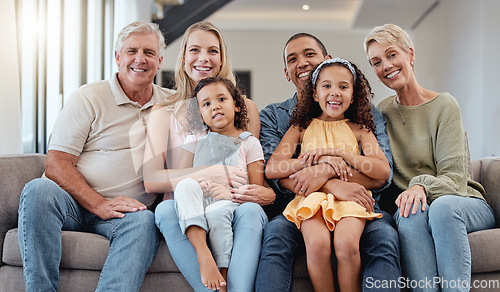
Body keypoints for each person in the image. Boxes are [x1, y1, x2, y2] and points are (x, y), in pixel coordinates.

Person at [17, 21, 170, 291]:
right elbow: (56, 163)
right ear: (117, 57)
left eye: (148, 52)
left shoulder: (172, 103)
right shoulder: (89, 97)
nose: (139, 59)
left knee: (144, 220)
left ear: (159, 61)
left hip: (126, 213)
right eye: (131, 50)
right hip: (72, 204)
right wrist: (99, 203)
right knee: (38, 189)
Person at [256, 33, 401, 292]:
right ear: (314, 92)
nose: (334, 93)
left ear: (354, 93)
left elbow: (382, 173)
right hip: (308, 200)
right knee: (309, 244)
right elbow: (273, 169)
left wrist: (338, 159)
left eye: (343, 87)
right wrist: (313, 167)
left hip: (354, 201)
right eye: (292, 59)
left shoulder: (362, 125)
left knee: (356, 243)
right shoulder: (295, 125)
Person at [364, 23, 496, 292]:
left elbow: (456, 178)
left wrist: (420, 184)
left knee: (442, 208)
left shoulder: (444, 105)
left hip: (462, 201)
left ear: (410, 54)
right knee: (410, 213)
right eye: (376, 62)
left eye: (391, 55)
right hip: (414, 207)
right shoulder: (382, 111)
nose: (386, 66)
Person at [143, 21, 273, 291]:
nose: (203, 58)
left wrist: (266, 193)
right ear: (183, 57)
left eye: (213, 51)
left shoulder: (245, 107)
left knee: (250, 210)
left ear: (222, 58)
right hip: (184, 204)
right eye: (195, 50)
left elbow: (252, 170)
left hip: (234, 202)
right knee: (165, 209)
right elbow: (151, 180)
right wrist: (207, 174)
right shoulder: (163, 110)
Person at [173, 77, 267, 291]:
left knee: (216, 211)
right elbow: (180, 176)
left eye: (221, 99)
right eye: (206, 104)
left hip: (229, 205)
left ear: (235, 104)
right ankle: (203, 254)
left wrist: (229, 193)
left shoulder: (249, 142)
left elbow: (256, 190)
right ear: (200, 114)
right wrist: (201, 181)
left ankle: (222, 275)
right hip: (196, 203)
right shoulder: (194, 140)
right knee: (184, 186)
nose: (214, 106)